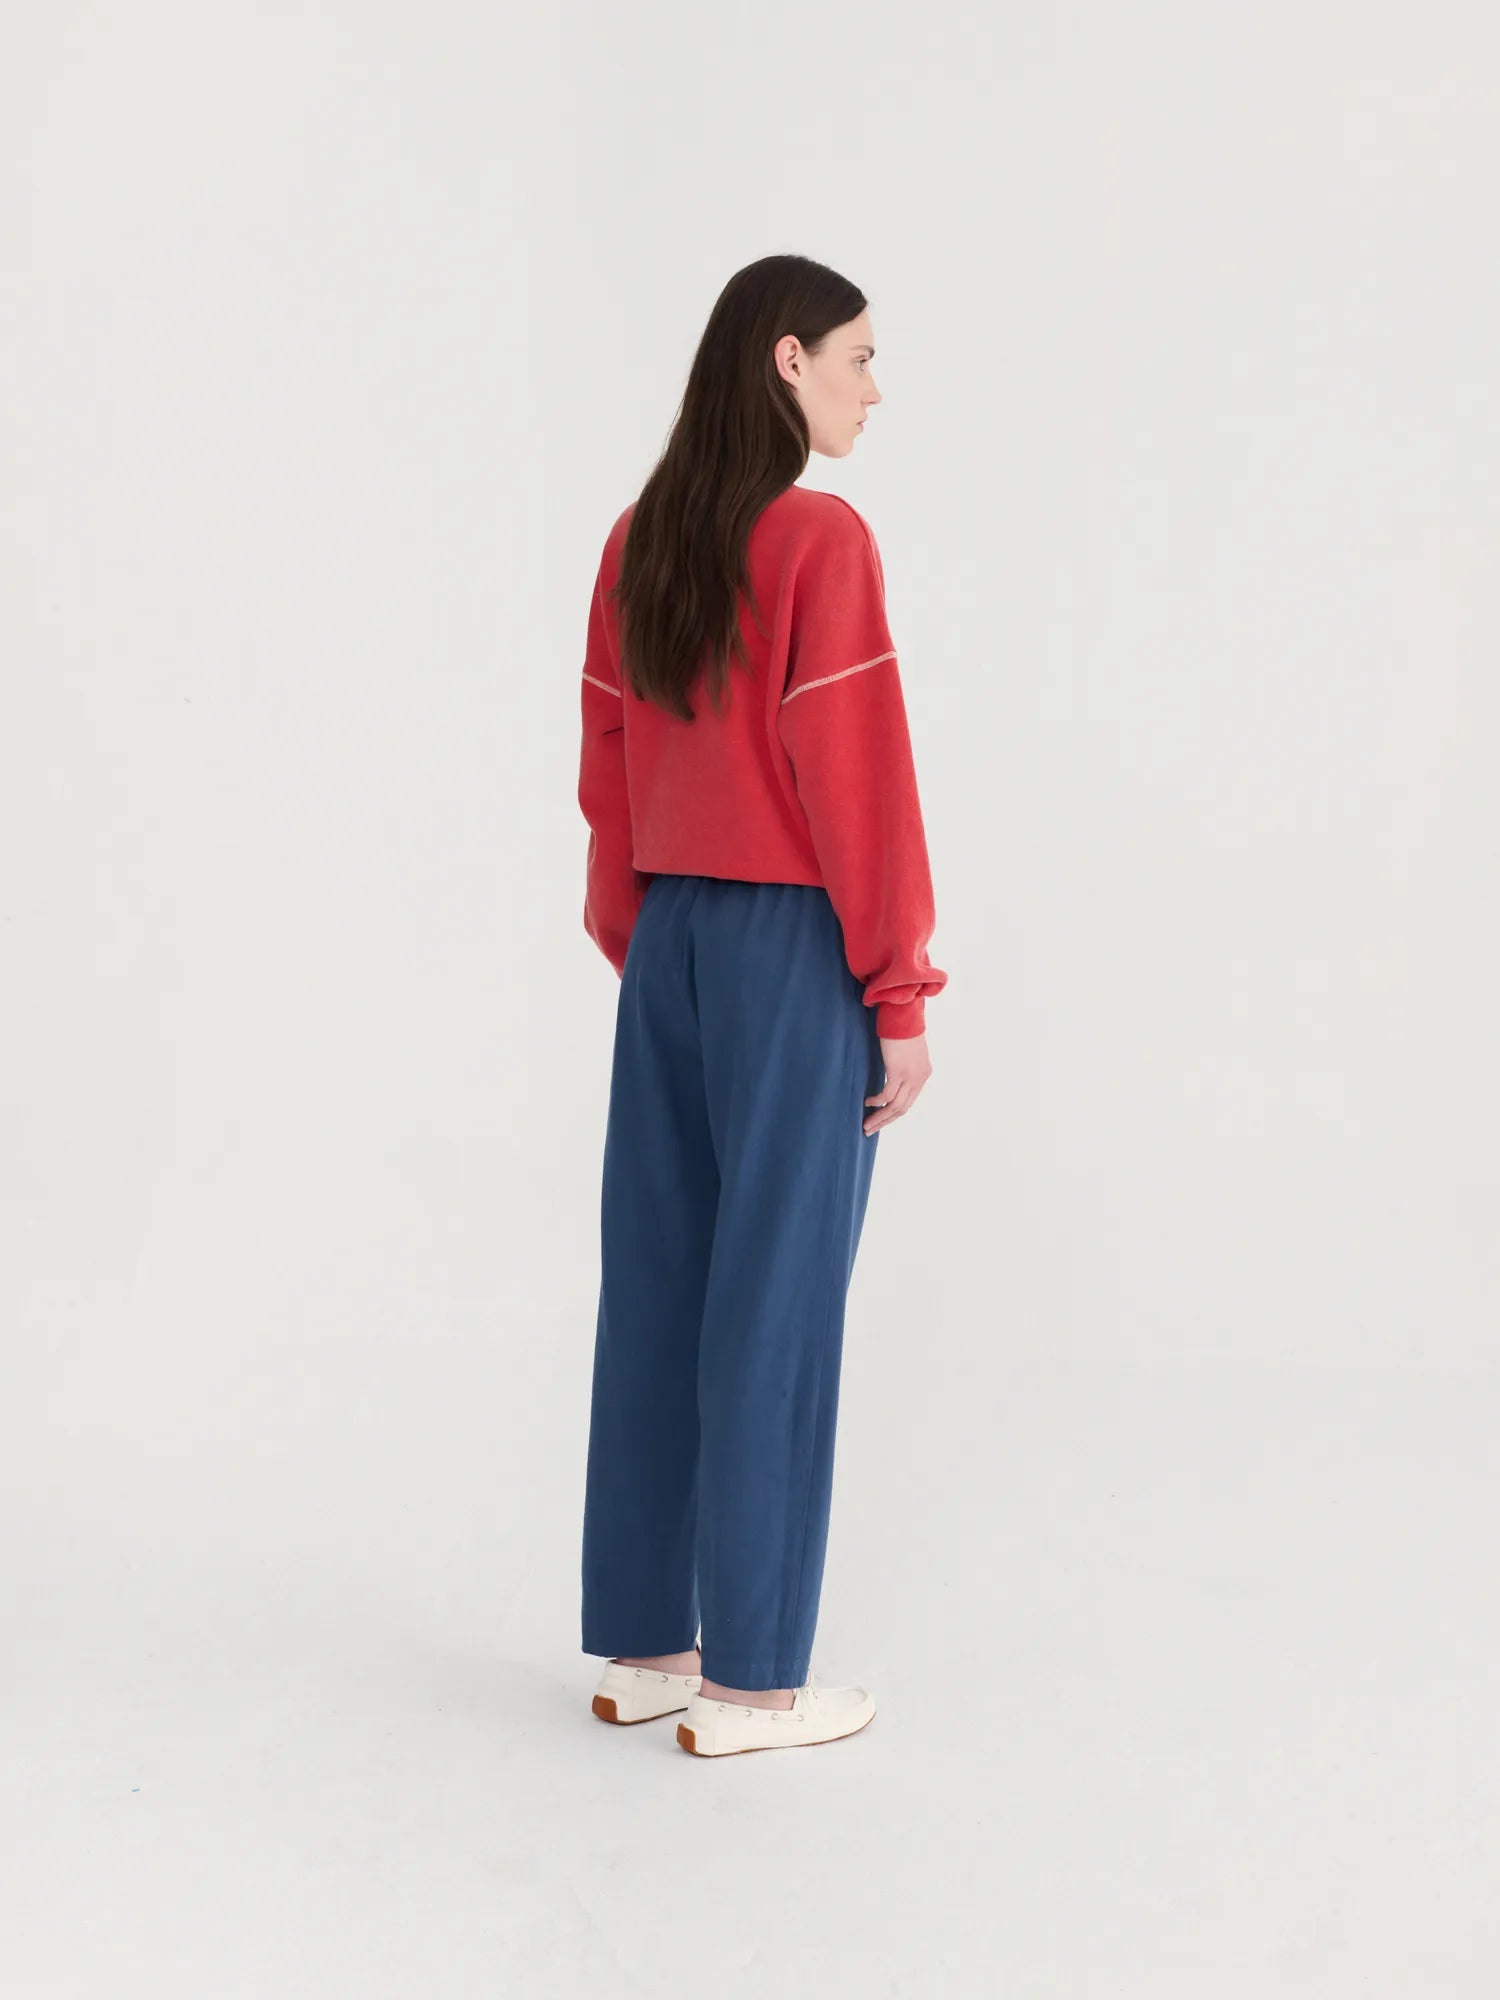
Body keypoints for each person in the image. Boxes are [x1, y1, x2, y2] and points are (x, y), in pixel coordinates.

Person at [576, 253, 948, 1756]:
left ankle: (648, 1649)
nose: (875, 388)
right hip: (791, 946)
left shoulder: (639, 541)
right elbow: (856, 778)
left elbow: (607, 773)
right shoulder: (818, 541)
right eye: (859, 356)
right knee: (776, 1302)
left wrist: (650, 946)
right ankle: (753, 1686)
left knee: (661, 1286)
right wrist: (896, 989)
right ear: (787, 360)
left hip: (668, 938)